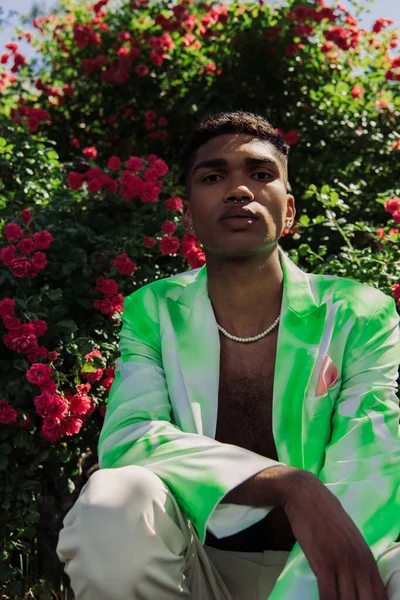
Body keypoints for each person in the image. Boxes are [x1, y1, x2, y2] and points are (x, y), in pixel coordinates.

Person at [56, 110, 400, 600]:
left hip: (326, 566)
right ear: (189, 213)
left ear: (290, 210)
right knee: (114, 500)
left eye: (261, 175)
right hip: (194, 569)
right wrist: (289, 483)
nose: (239, 191)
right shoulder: (154, 310)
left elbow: (371, 461)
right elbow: (132, 437)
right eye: (214, 177)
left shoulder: (358, 312)